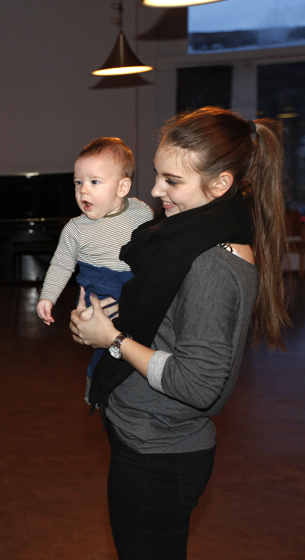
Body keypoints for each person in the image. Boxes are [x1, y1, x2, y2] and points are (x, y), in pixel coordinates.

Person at [69, 107, 289, 559]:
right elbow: (171, 319)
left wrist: (111, 339)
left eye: (172, 181)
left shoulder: (212, 263)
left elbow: (200, 384)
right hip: (147, 440)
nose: (154, 190)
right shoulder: (190, 238)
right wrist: (118, 315)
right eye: (157, 175)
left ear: (221, 184)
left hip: (159, 456)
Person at [37, 137, 153, 380]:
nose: (83, 190)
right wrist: (48, 297)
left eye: (94, 182)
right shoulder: (76, 228)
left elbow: (153, 249)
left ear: (122, 188)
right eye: (78, 182)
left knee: (145, 339)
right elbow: (61, 264)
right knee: (106, 350)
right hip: (100, 291)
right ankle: (99, 382)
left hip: (136, 285)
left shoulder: (141, 212)